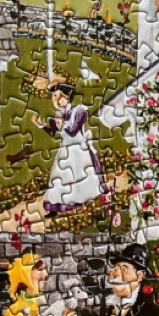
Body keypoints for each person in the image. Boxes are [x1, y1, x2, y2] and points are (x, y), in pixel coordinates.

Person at [33, 83, 106, 217]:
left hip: (79, 150)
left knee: (80, 177)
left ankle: (83, 204)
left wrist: (63, 125)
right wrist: (41, 125)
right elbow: (53, 133)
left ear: (67, 97)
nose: (56, 100)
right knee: (60, 177)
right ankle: (55, 207)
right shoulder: (57, 115)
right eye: (54, 97)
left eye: (59, 96)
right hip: (65, 149)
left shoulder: (80, 111)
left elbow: (73, 131)